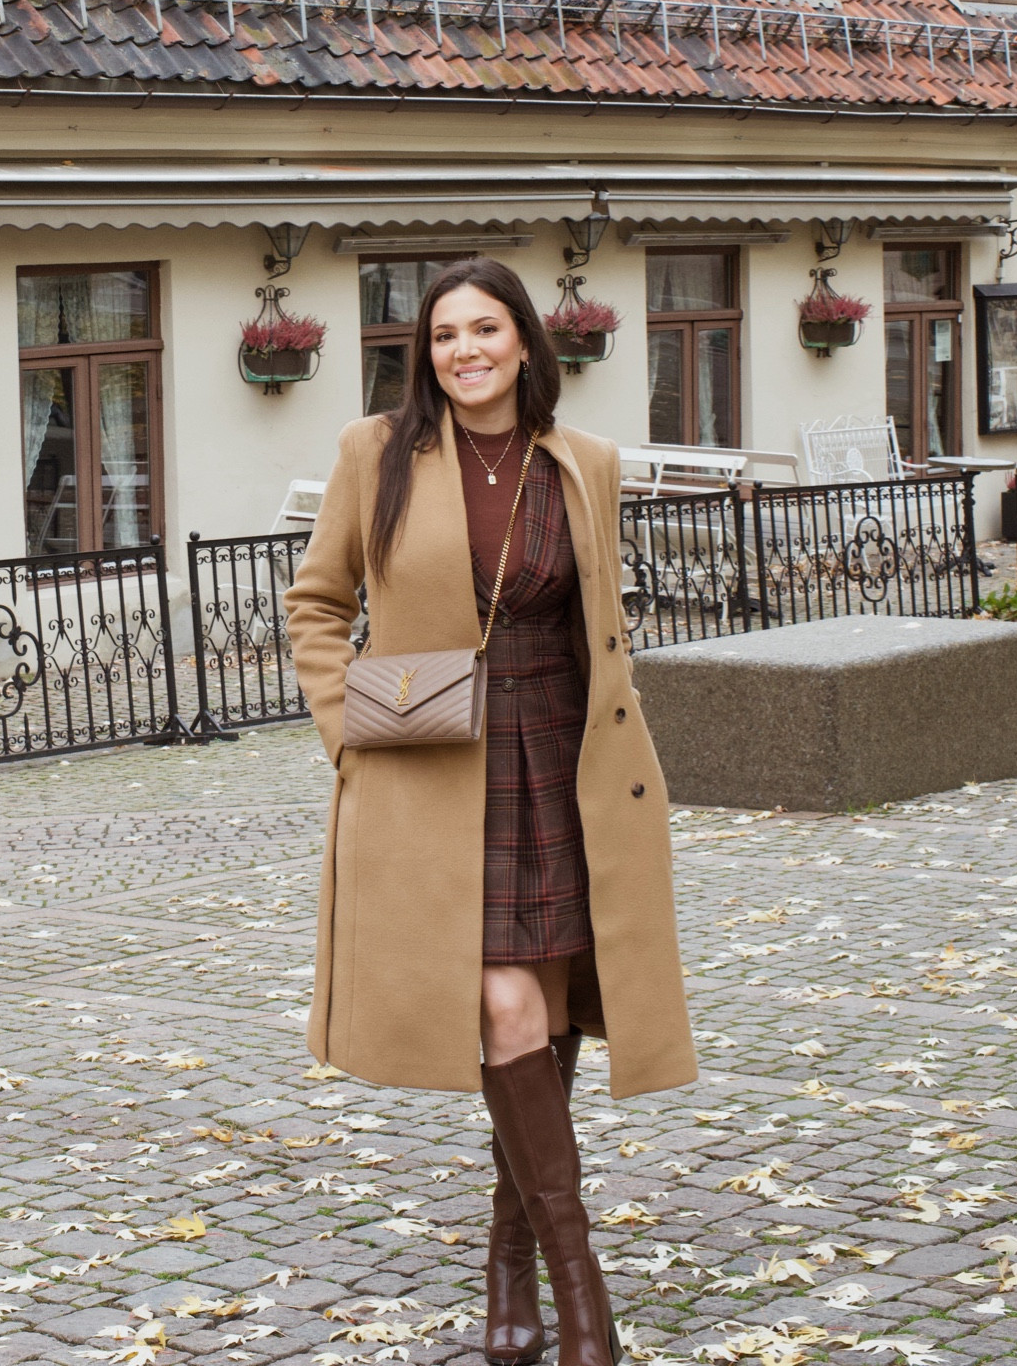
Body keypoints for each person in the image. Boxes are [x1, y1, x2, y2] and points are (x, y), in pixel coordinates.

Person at [285, 257, 694, 1366]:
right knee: (508, 1008)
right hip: (433, 766)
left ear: (524, 342)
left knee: (547, 1019)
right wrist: (351, 728)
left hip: (562, 760)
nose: (463, 350)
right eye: (443, 334)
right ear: (426, 352)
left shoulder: (583, 463)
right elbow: (317, 605)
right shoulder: (375, 454)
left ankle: (506, 1267)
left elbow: (594, 629)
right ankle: (581, 1299)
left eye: (484, 328)